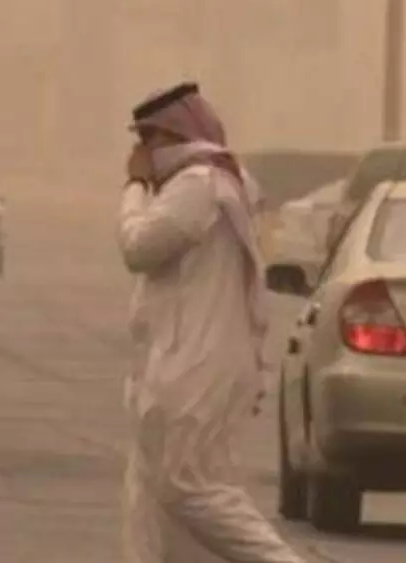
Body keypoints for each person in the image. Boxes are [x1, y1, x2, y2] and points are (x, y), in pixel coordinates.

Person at [118, 81, 305, 563]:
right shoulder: (213, 180)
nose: (142, 153)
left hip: (194, 368)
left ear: (177, 135)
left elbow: (137, 247)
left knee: (189, 490)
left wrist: (134, 187)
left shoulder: (198, 185)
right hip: (180, 363)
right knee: (150, 501)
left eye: (150, 141)